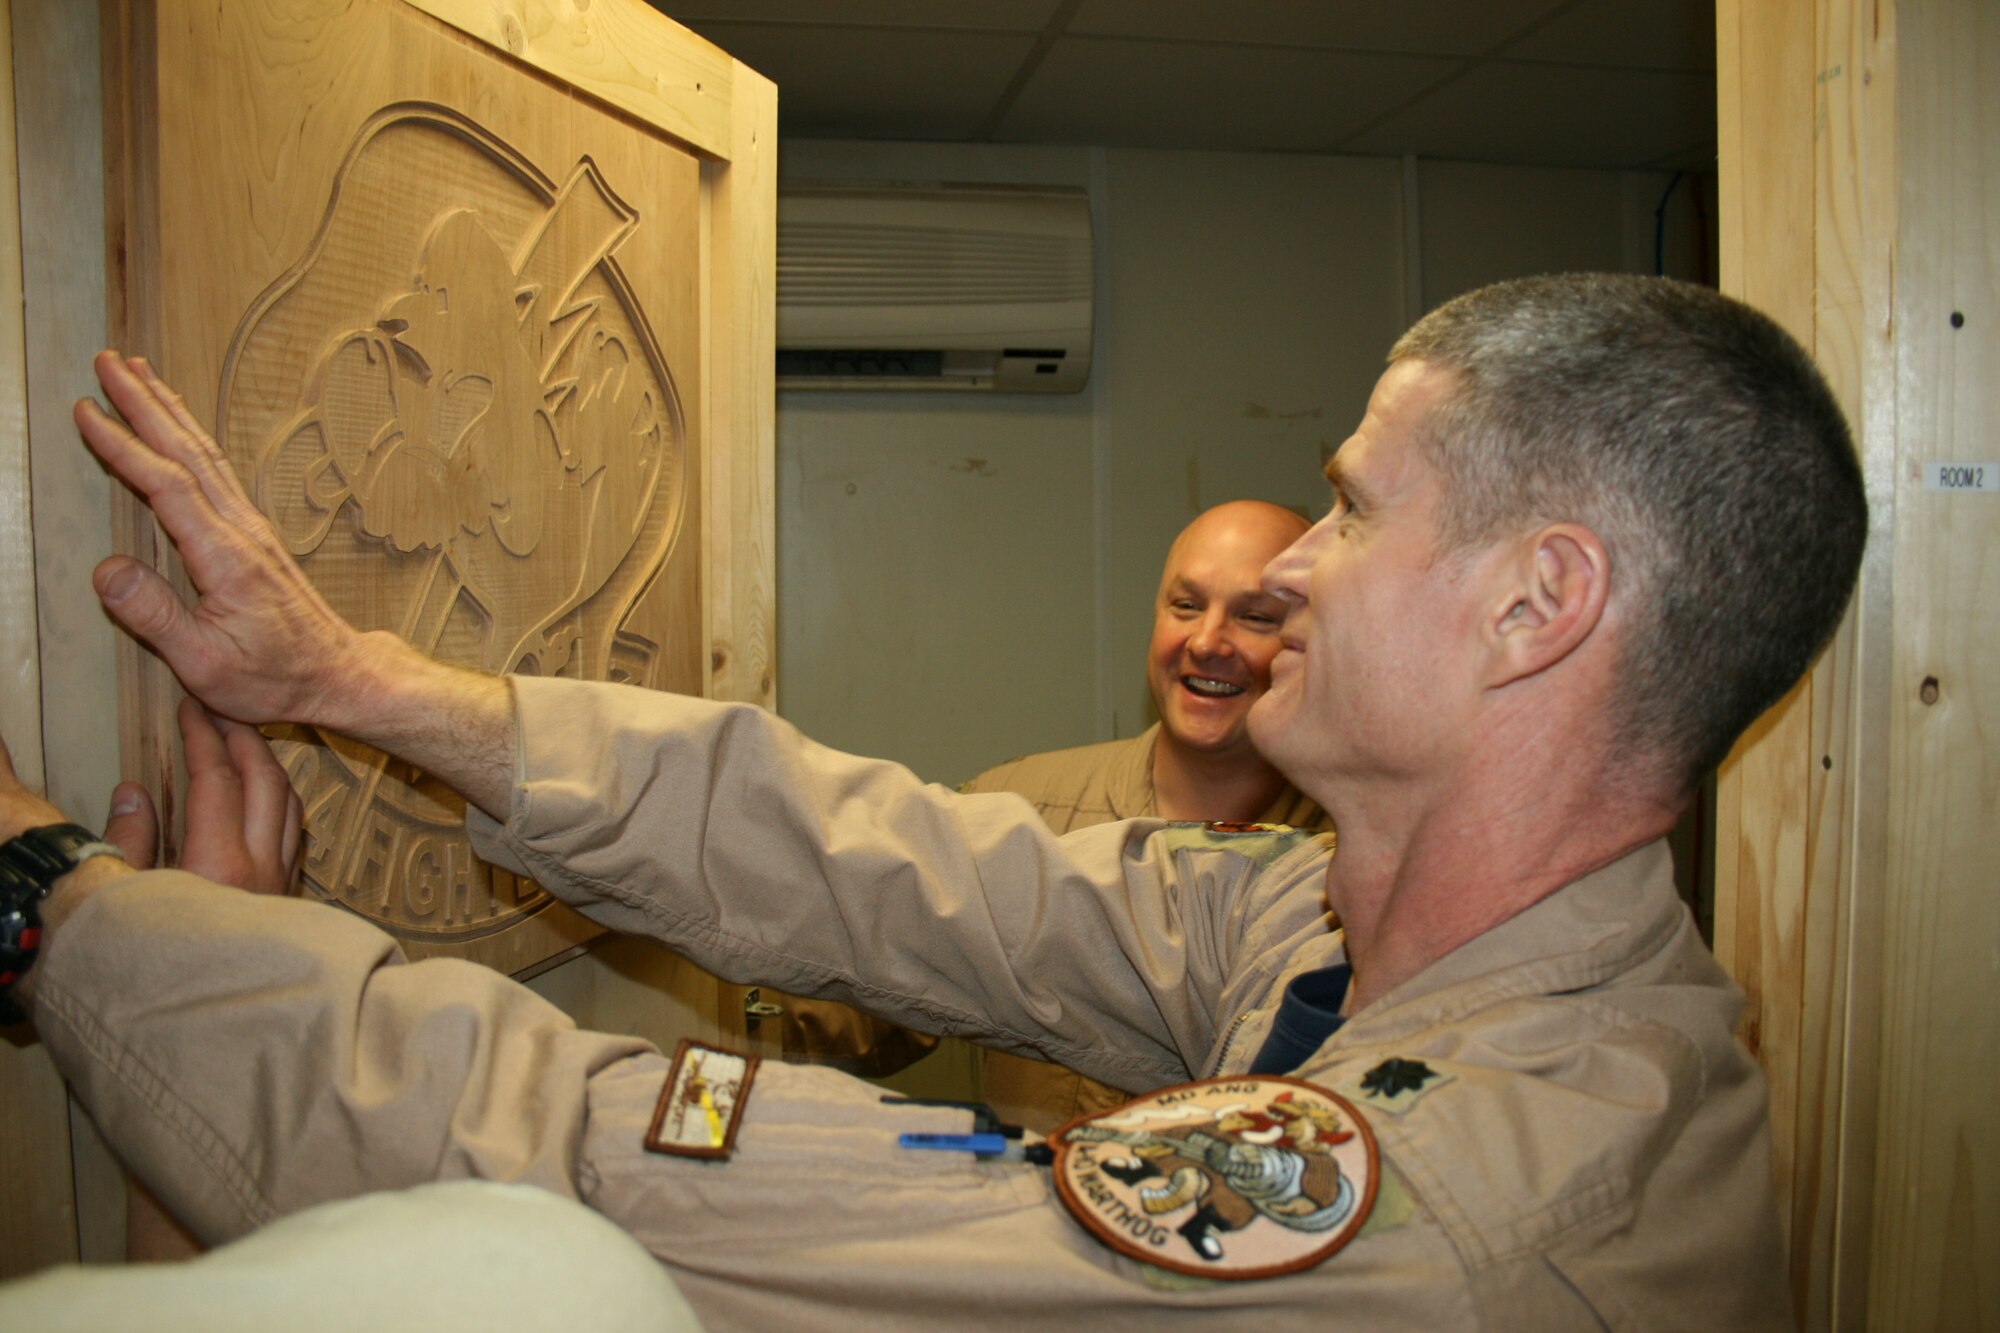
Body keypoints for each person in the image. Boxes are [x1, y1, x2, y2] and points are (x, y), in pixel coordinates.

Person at [8, 273, 1865, 1326]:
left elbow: (629, 1165)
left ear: (1539, 607)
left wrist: (56, 895)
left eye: (1361, 505)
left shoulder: (1447, 1207)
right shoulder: (1327, 925)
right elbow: (876, 857)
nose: (1295, 563)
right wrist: (358, 684)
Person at [962, 499, 1332, 1129]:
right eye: (1185, 606)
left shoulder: (1354, 861)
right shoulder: (1018, 813)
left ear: (1309, 643)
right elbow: (858, 985)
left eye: (1255, 616)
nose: (1208, 641)